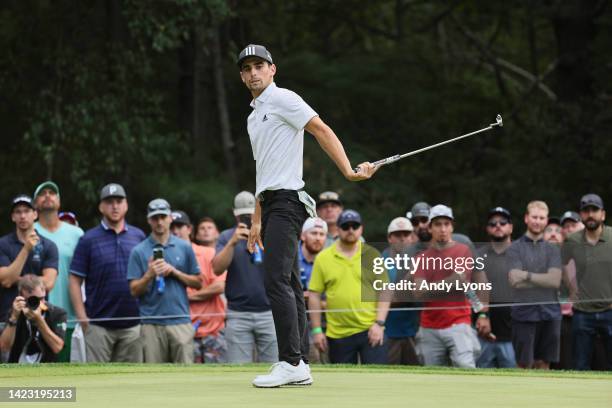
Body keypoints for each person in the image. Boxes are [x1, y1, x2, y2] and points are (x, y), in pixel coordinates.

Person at [237, 44, 377, 387]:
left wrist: (347, 170)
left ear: (273, 69)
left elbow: (321, 129)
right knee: (288, 281)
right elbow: (262, 171)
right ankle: (298, 363)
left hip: (287, 201)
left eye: (259, 66)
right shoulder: (253, 117)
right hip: (270, 203)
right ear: (242, 76)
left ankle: (291, 362)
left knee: (276, 280)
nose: (253, 72)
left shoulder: (284, 98)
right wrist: (256, 218)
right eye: (247, 68)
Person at [69, 183, 145, 363]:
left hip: (133, 325)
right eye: (109, 202)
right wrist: (82, 318)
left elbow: (146, 276)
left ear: (126, 205)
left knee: (130, 383)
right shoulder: (88, 239)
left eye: (119, 201)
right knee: (98, 382)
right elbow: (74, 279)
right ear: (101, 207)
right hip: (97, 326)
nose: (115, 206)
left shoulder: (139, 236)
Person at [309, 210, 390, 364]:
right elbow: (314, 295)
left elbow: (385, 291)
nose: (351, 230)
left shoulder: (372, 255)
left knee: (376, 381)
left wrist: (379, 323)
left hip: (370, 330)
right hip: (338, 334)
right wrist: (317, 330)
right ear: (338, 229)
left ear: (361, 229)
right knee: (341, 382)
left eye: (355, 226)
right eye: (346, 226)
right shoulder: (323, 257)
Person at [128, 199, 202, 363]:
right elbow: (133, 290)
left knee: (184, 377)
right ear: (149, 220)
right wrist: (149, 274)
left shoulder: (184, 247)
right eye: (155, 218)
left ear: (170, 218)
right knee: (153, 378)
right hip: (151, 323)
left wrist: (174, 272)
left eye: (163, 217)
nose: (159, 222)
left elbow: (198, 282)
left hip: (180, 321)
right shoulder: (139, 251)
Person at [212, 192, 278, 364]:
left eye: (251, 214)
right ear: (235, 214)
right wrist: (232, 243)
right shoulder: (227, 237)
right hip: (238, 314)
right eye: (244, 216)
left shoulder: (269, 233)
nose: (248, 219)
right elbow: (217, 269)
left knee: (274, 367)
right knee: (238, 369)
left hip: (269, 312)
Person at [413, 205, 482, 368]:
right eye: (437, 224)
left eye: (446, 224)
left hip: (458, 323)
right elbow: (418, 293)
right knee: (432, 380)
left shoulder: (463, 250)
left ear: (452, 227)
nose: (442, 229)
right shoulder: (422, 257)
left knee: (466, 372)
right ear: (430, 228)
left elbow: (460, 280)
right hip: (429, 327)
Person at [507, 200, 562, 369]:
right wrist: (543, 279)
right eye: (534, 217)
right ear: (526, 218)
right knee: (523, 365)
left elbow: (554, 281)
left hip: (550, 314)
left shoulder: (553, 250)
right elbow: (515, 282)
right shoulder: (514, 248)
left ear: (546, 221)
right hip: (524, 315)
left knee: (544, 364)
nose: (537, 221)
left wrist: (527, 275)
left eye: (541, 218)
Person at [33, 181, 84, 362]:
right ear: (35, 204)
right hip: (35, 315)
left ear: (59, 202)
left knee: (67, 374)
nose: (48, 195)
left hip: (70, 317)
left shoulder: (77, 233)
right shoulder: (29, 232)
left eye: (52, 193)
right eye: (42, 193)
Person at [561, 194, 612, 370]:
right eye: (586, 211)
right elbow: (564, 265)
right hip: (582, 312)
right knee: (580, 365)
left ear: (603, 214)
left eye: (594, 210)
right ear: (581, 215)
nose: (590, 214)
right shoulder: (573, 240)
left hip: (610, 311)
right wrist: (572, 288)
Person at [171, 210, 227, 363]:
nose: (175, 231)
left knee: (219, 380)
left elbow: (220, 286)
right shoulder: (165, 257)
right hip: (181, 331)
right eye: (172, 227)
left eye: (179, 226)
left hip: (213, 330)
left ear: (189, 229)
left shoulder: (208, 253)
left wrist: (189, 296)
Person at [0, 195, 58, 323]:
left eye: (27, 211)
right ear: (12, 217)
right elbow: (6, 281)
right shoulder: (3, 244)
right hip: (8, 315)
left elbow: (48, 283)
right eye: (18, 212)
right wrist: (26, 249)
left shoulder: (49, 246)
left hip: (39, 315)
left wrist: (18, 279)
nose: (22, 216)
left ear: (35, 214)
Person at [475, 207, 517, 368]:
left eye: (503, 222)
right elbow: (469, 291)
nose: (498, 225)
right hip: (484, 336)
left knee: (515, 386)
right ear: (487, 229)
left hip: (515, 336)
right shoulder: (478, 256)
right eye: (493, 223)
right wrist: (481, 315)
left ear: (511, 227)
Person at [0, 275, 66, 363]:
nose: (40, 303)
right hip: (17, 368)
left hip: (46, 368)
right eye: (34, 299)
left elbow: (57, 347)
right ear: (21, 297)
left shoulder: (57, 313)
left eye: (42, 298)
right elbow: (4, 347)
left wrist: (39, 320)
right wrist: (14, 318)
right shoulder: (15, 312)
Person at [383, 217, 420, 365]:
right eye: (398, 235)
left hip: (415, 330)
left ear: (412, 238)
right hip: (388, 331)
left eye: (406, 235)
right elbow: (381, 299)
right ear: (390, 238)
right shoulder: (380, 262)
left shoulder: (421, 260)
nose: (402, 239)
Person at [298, 217, 328, 363]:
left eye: (322, 234)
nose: (318, 238)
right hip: (296, 321)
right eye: (313, 233)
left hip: (326, 321)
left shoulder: (330, 260)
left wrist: (314, 300)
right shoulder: (290, 257)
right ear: (303, 235)